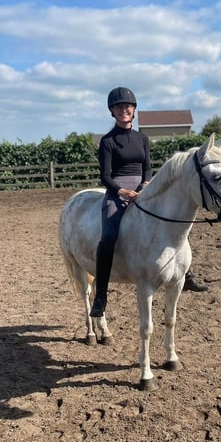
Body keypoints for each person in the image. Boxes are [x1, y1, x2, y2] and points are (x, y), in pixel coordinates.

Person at [91, 86, 152, 317]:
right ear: (112, 112)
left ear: (134, 110)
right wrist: (122, 191)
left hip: (143, 189)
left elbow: (147, 167)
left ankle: (185, 273)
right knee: (107, 237)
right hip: (117, 191)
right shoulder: (108, 141)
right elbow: (105, 176)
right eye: (119, 107)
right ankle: (101, 296)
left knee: (173, 216)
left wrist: (145, 185)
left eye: (127, 106)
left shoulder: (142, 138)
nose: (123, 109)